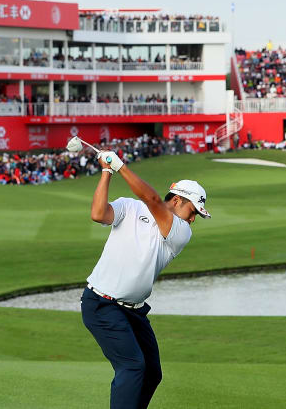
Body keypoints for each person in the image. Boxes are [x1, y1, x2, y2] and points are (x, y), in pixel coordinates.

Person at [82, 149, 210, 409]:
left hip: (134, 311)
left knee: (152, 372)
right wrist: (107, 171)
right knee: (132, 366)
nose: (194, 218)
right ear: (177, 201)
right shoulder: (129, 207)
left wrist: (121, 166)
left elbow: (152, 199)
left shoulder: (180, 232)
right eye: (193, 210)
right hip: (102, 304)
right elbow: (98, 214)